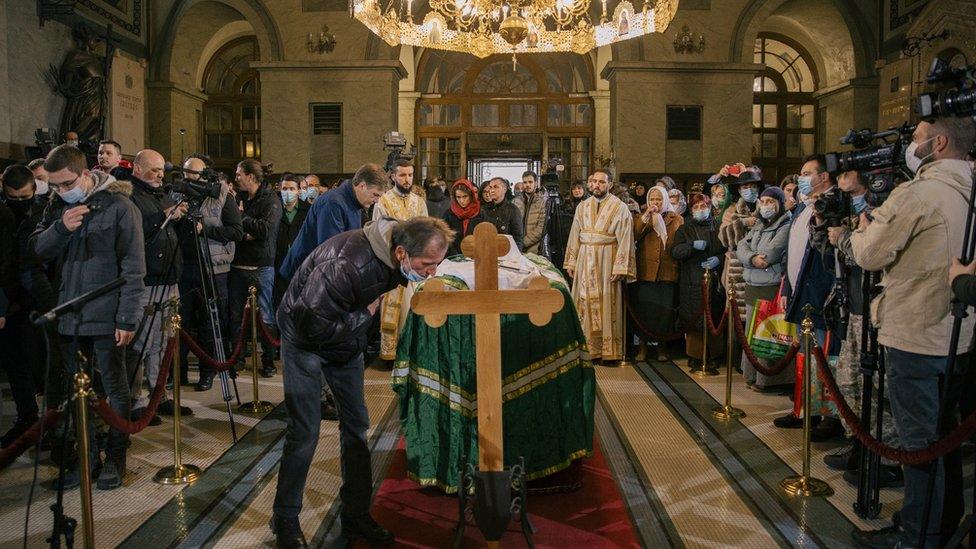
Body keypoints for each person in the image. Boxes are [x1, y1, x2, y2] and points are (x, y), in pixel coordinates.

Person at [831, 117, 976, 548]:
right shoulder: (968, 189)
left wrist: (852, 235)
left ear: (939, 143)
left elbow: (872, 253)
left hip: (916, 332)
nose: (909, 146)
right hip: (960, 335)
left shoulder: (920, 193)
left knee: (918, 445)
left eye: (915, 139)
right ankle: (940, 523)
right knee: (942, 437)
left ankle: (917, 536)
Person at [271, 217, 455, 548]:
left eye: (437, 265)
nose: (432, 273)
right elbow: (309, 323)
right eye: (427, 265)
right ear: (401, 253)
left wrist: (357, 320)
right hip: (304, 340)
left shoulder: (393, 256)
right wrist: (364, 315)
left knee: (356, 425)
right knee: (305, 432)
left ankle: (355, 515)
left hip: (343, 338)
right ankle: (285, 518)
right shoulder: (347, 263)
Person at [31, 144, 145, 489]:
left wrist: (127, 318)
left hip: (107, 314)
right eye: (55, 186)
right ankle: (87, 458)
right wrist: (61, 228)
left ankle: (115, 457)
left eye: (66, 184)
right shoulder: (57, 206)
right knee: (77, 392)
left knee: (114, 387)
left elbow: (134, 268)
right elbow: (36, 250)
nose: (61, 191)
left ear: (84, 174)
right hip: (70, 314)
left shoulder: (120, 207)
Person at [278, 163, 389, 420]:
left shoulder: (352, 204)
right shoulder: (333, 204)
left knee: (325, 340)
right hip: (306, 280)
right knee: (309, 341)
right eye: (374, 195)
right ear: (361, 186)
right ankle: (310, 401)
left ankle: (324, 393)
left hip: (324, 280)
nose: (375, 202)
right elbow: (332, 251)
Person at [775, 155, 843, 441]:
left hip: (822, 294)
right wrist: (787, 288)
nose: (801, 178)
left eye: (806, 173)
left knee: (826, 356)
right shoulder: (805, 206)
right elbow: (795, 251)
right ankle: (805, 409)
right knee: (805, 356)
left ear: (823, 177)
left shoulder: (833, 205)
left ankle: (828, 416)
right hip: (802, 292)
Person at [126, 149, 188, 422]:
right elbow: (135, 234)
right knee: (143, 341)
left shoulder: (161, 193)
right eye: (154, 170)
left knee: (164, 342)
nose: (160, 175)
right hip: (147, 281)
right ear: (138, 169)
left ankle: (159, 393)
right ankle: (136, 398)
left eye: (162, 170)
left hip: (169, 279)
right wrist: (162, 216)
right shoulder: (129, 196)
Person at [175, 154, 243, 392]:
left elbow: (236, 230)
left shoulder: (223, 195)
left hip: (212, 268)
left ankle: (207, 371)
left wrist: (206, 229)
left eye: (195, 173)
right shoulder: (178, 194)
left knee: (208, 322)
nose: (190, 177)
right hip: (183, 266)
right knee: (179, 322)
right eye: (186, 173)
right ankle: (177, 372)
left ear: (206, 174)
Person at [563, 168, 636, 364]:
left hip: (607, 261)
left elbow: (625, 239)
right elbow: (574, 235)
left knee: (607, 303)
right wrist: (571, 260)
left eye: (601, 182)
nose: (596, 185)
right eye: (593, 181)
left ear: (610, 184)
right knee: (584, 303)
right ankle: (587, 349)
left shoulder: (620, 207)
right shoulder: (582, 206)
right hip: (585, 259)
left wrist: (620, 267)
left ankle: (608, 352)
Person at [0, 166, 44, 448]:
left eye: (24, 197)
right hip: (9, 301)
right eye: (12, 197)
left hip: (37, 297)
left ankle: (49, 423)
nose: (19, 203)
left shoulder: (41, 212)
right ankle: (27, 416)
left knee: (40, 365)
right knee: (16, 365)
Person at [229, 159, 282, 378]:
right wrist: (245, 232)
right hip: (237, 264)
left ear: (251, 176)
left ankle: (268, 361)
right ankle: (237, 359)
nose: (236, 178)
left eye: (239, 174)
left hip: (261, 266)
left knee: (265, 316)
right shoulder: (238, 198)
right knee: (235, 317)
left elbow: (265, 229)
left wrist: (242, 217)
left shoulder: (270, 200)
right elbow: (233, 230)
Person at [736, 186, 792, 391]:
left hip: (771, 286)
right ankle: (752, 376)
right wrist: (751, 257)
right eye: (763, 201)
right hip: (752, 285)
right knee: (752, 335)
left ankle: (769, 380)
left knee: (768, 336)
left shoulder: (785, 225)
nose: (766, 206)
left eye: (770, 202)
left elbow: (770, 254)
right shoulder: (759, 224)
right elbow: (741, 246)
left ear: (779, 204)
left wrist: (755, 256)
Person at [373, 160, 428, 363]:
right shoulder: (384, 202)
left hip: (416, 267)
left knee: (414, 309)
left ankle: (413, 353)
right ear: (393, 177)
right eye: (403, 175)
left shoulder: (419, 202)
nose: (407, 179)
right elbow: (379, 234)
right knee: (395, 311)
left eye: (410, 175)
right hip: (393, 266)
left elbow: (427, 232)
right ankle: (393, 355)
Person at [671, 193, 725, 369]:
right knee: (693, 319)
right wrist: (691, 246)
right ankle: (695, 355)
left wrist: (720, 259)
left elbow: (729, 250)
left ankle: (714, 354)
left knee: (715, 318)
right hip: (692, 280)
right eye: (696, 207)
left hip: (715, 280)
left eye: (704, 207)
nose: (700, 210)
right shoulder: (685, 229)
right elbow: (675, 251)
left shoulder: (719, 227)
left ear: (710, 208)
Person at [631, 186, 682, 362]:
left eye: (659, 199)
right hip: (646, 271)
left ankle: (662, 348)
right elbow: (634, 235)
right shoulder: (642, 216)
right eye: (652, 199)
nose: (655, 203)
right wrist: (646, 217)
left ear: (665, 200)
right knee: (645, 311)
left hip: (667, 272)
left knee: (664, 313)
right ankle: (643, 348)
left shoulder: (676, 219)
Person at [274, 174, 310, 312]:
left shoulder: (307, 210)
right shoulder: (275, 208)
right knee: (280, 303)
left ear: (298, 190)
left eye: (291, 189)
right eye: (284, 188)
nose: (287, 192)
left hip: (301, 263)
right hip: (279, 261)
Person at [442, 178, 485, 256]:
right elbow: (445, 237)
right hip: (453, 257)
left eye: (465, 196)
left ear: (471, 196)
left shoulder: (480, 213)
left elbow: (485, 237)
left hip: (476, 256)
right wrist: (455, 255)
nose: (461, 200)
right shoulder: (449, 214)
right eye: (458, 197)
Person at [481, 177, 524, 251]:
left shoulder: (513, 210)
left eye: (496, 187)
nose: (492, 190)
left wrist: (515, 256)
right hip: (487, 252)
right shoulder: (483, 210)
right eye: (490, 187)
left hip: (507, 253)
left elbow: (518, 238)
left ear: (504, 189)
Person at [514, 170, 548, 254]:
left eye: (530, 182)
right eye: (525, 182)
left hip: (534, 248)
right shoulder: (516, 202)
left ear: (536, 183)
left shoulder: (542, 202)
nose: (527, 185)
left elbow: (541, 228)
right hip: (517, 247)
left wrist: (524, 242)